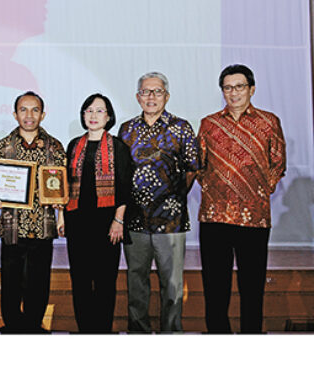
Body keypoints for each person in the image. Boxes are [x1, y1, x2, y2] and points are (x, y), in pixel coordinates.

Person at [197, 64, 286, 333]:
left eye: (239, 87)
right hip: (215, 217)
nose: (233, 92)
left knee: (252, 288)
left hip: (254, 218)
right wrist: (216, 189)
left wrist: (257, 191)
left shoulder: (268, 122)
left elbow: (278, 163)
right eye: (227, 88)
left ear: (251, 89)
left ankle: (251, 342)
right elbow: (199, 166)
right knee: (215, 289)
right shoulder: (209, 123)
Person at [118, 72, 200, 333]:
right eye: (145, 91)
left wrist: (174, 196)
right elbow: (121, 172)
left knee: (172, 283)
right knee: (136, 281)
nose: (151, 96)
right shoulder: (126, 129)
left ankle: (171, 334)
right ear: (137, 97)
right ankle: (138, 333)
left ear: (167, 96)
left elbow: (192, 168)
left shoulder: (182, 128)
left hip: (171, 220)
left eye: (157, 91)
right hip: (135, 220)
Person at [0, 91, 66, 333]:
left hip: (43, 225)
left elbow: (62, 188)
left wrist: (61, 214)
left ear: (43, 114)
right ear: (15, 114)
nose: (29, 115)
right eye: (23, 109)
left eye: (35, 110)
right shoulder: (3, 147)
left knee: (39, 282)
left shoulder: (55, 147)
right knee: (11, 282)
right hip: (12, 225)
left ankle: (33, 328)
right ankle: (12, 327)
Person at [63, 93, 133, 333]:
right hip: (77, 223)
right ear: (83, 115)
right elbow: (64, 186)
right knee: (80, 281)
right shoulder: (74, 145)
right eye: (89, 110)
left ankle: (102, 332)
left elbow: (125, 187)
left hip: (107, 225)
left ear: (109, 116)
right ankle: (85, 331)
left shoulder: (119, 147)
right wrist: (62, 216)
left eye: (99, 111)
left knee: (104, 283)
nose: (93, 115)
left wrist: (118, 220)